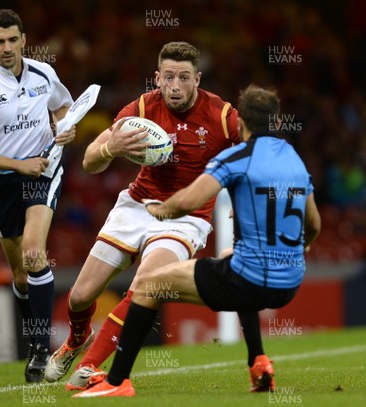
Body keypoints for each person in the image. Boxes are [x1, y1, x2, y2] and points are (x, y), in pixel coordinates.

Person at [73, 84, 322, 397]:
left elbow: (190, 200)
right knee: (234, 253)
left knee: (149, 285)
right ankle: (259, 361)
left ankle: (117, 382)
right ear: (277, 122)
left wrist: (160, 209)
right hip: (290, 283)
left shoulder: (235, 157)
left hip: (249, 281)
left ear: (241, 121)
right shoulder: (293, 158)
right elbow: (313, 223)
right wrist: (303, 245)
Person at [44, 41, 242, 388]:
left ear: (197, 78)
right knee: (79, 297)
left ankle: (90, 367)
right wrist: (111, 147)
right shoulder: (140, 109)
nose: (175, 86)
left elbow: (259, 150)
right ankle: (78, 338)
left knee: (144, 284)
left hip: (185, 216)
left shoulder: (222, 116)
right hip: (137, 207)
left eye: (183, 77)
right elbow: (90, 161)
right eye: (168, 77)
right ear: (157, 79)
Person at [0, 9, 75, 382]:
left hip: (43, 171)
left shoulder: (43, 73)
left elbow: (64, 108)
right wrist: (16, 165)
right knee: (20, 275)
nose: (7, 48)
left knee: (35, 252)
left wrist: (64, 128)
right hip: (1, 181)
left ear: (23, 39)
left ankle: (39, 349)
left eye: (13, 39)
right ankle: (36, 341)